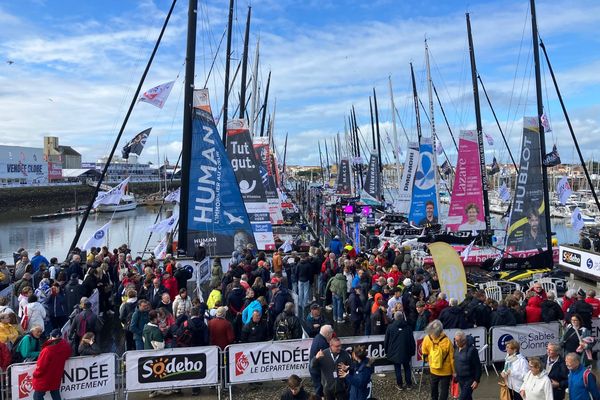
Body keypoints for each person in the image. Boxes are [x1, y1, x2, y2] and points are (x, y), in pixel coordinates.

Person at [31, 329, 71, 400]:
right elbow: (67, 355)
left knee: (37, 396)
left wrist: (35, 374)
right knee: (55, 393)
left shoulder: (47, 350)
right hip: (56, 375)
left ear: (51, 337)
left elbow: (41, 366)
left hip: (44, 377)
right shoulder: (65, 347)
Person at [421, 320, 454, 400]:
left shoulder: (427, 338)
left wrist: (429, 361)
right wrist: (454, 371)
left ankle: (434, 398)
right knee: (444, 389)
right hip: (446, 370)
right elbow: (452, 358)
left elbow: (424, 353)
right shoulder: (447, 341)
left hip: (434, 369)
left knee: (434, 387)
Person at [384, 311, 415, 390]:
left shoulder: (390, 327)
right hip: (406, 351)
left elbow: (386, 341)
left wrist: (386, 351)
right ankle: (409, 384)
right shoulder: (408, 327)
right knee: (407, 367)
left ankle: (400, 385)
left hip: (394, 352)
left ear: (394, 317)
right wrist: (412, 351)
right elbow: (412, 341)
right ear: (402, 317)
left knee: (397, 368)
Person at [453, 331, 482, 400]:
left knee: (462, 398)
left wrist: (477, 380)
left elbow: (478, 366)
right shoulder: (456, 348)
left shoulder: (472, 350)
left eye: (457, 341)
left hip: (469, 379)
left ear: (463, 341)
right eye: (455, 340)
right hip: (460, 378)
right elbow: (456, 360)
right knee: (467, 397)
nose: (455, 342)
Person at [309, 325, 334, 399]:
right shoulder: (322, 344)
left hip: (314, 369)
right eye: (331, 333)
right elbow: (328, 359)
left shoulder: (317, 337)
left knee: (319, 388)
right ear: (327, 334)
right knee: (320, 391)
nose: (332, 335)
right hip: (317, 371)